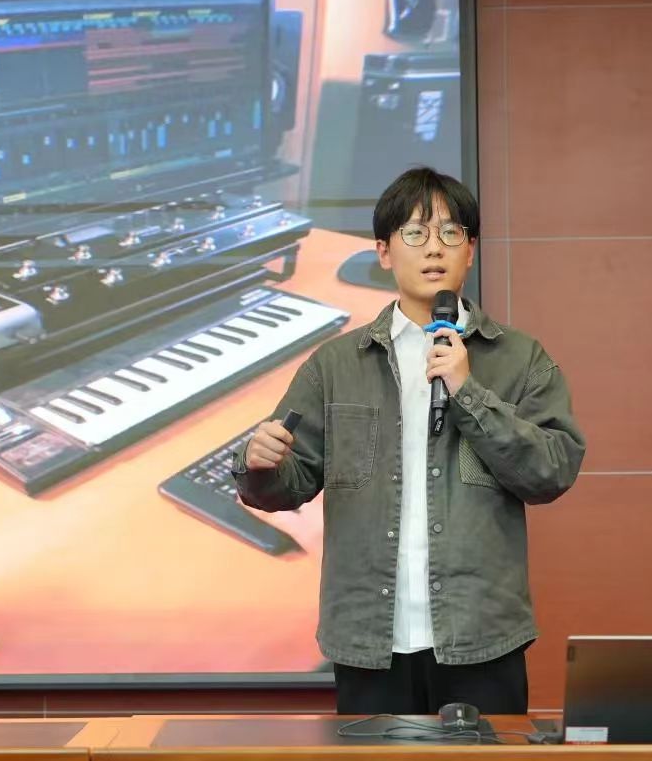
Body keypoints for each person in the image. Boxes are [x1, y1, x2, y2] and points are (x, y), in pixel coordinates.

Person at [231, 166, 585, 716]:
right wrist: (260, 465)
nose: (434, 247)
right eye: (415, 233)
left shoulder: (520, 358)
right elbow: (286, 485)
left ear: (471, 250)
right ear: (383, 251)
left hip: (480, 636)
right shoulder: (336, 364)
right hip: (371, 640)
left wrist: (469, 392)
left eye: (451, 233)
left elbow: (552, 471)